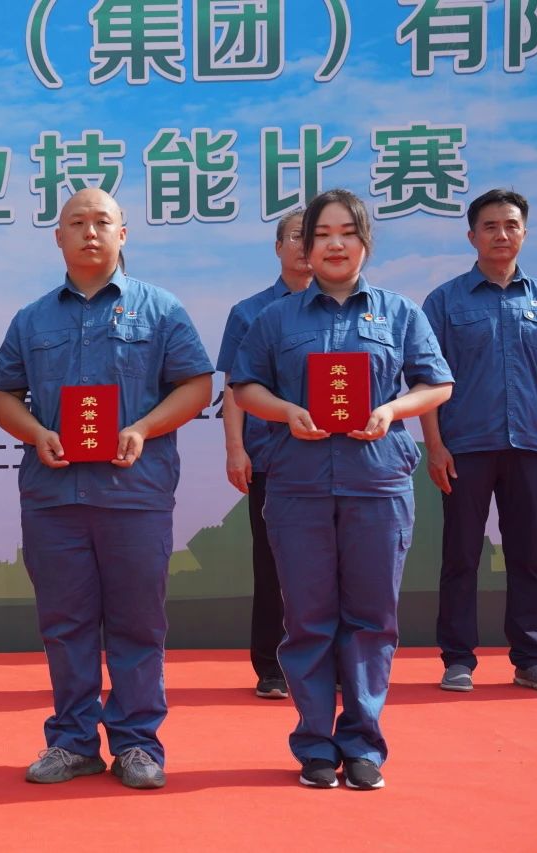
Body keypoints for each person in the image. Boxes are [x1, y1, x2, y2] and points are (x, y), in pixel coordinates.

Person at [0, 188, 213, 789]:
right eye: (78, 222)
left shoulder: (160, 309)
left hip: (134, 495)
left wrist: (142, 428)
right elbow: (2, 395)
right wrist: (36, 432)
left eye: (102, 222)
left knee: (138, 624)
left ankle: (138, 743)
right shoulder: (32, 319)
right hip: (54, 498)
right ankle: (72, 742)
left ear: (123, 233)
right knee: (65, 625)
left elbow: (196, 385)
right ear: (58, 237)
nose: (90, 232)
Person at [231, 188, 453, 790]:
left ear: (365, 243)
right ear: (305, 247)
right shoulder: (276, 318)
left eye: (347, 233)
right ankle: (313, 743)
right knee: (308, 618)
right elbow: (245, 387)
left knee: (371, 618)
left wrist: (391, 410)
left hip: (377, 482)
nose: (335, 244)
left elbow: (437, 384)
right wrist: (285, 411)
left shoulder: (399, 313)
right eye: (322, 234)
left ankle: (362, 743)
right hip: (297, 485)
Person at [419, 188, 537, 693]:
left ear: (524, 233)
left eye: (511, 225)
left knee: (530, 555)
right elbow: (425, 381)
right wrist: (434, 445)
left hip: (530, 446)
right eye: (490, 226)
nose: (501, 234)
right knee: (462, 555)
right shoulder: (445, 301)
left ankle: (530, 656)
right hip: (465, 446)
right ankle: (458, 658)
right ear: (472, 236)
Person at [215, 209, 312, 700]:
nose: (305, 245)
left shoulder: (349, 309)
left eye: (314, 236)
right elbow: (235, 387)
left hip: (333, 460)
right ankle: (271, 666)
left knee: (328, 568)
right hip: (271, 457)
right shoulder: (249, 312)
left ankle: (327, 662)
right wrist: (235, 448)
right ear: (278, 247)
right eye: (296, 236)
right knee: (271, 564)